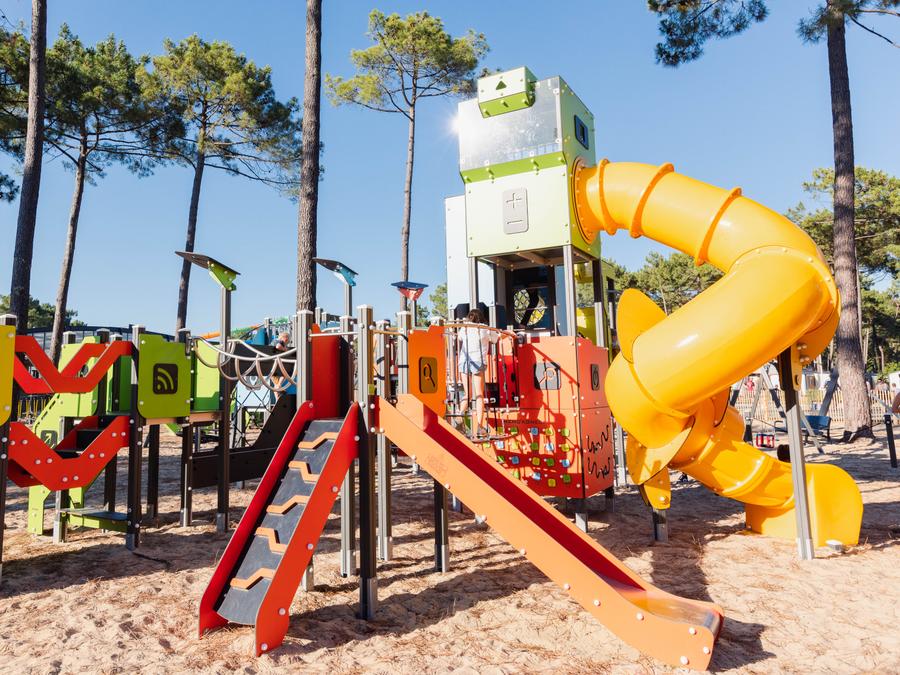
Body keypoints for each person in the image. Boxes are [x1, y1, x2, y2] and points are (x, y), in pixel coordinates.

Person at [456, 309, 499, 439]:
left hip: (464, 361)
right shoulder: (485, 328)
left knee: (467, 394)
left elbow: (459, 337)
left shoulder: (465, 328)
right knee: (479, 394)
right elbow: (495, 339)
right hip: (477, 361)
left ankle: (459, 415)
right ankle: (480, 427)